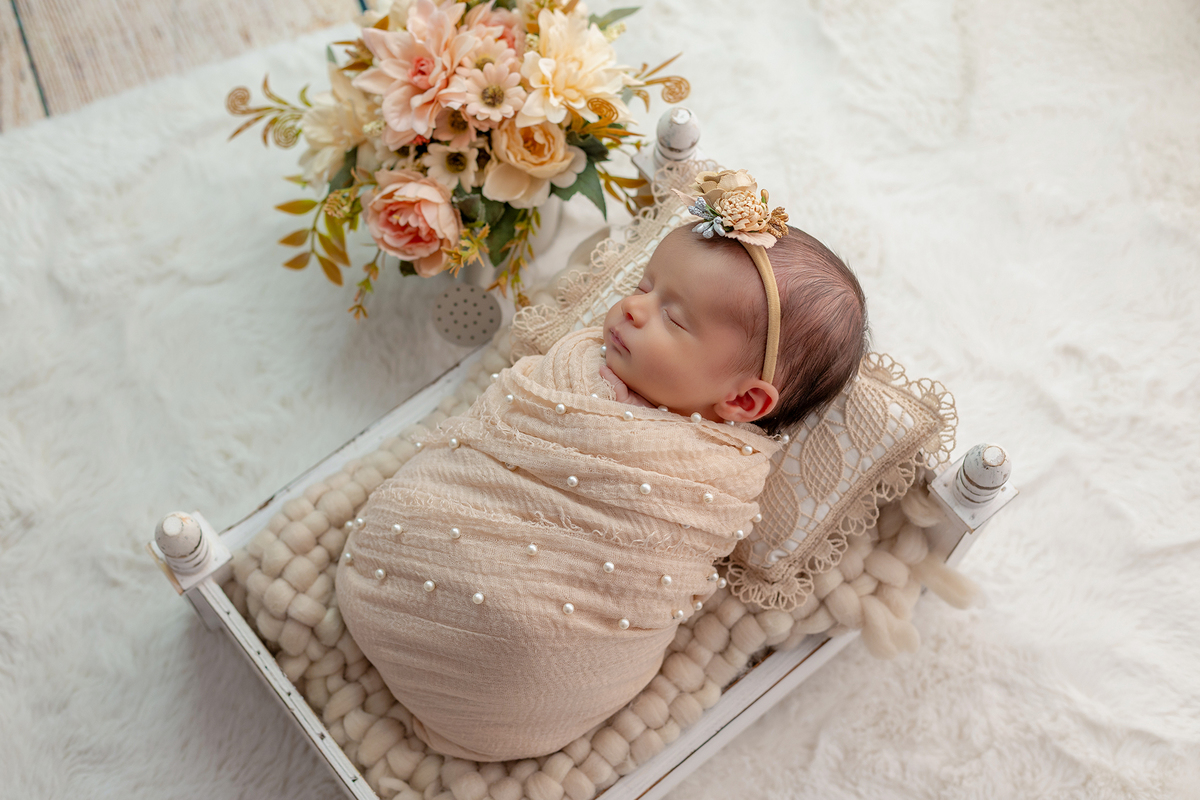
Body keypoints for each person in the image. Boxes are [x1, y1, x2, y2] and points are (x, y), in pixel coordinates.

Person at [335, 170, 868, 761]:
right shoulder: (574, 369)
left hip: (521, 679)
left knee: (530, 635)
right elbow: (493, 431)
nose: (633, 309)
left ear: (742, 402)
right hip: (392, 565)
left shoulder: (710, 478)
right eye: (645, 285)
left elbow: (651, 559)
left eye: (675, 318)